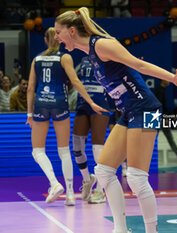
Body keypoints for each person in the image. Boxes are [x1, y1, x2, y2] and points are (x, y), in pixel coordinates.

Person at [54, 7, 177, 233]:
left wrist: (174, 80)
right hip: (129, 112)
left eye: (58, 32)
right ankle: (120, 229)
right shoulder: (89, 53)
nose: (56, 38)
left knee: (137, 178)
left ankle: (152, 231)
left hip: (146, 109)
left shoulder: (101, 45)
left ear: (71, 31)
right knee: (103, 172)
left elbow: (139, 65)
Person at [26, 27, 107, 206]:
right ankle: (71, 194)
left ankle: (56, 184)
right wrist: (90, 101)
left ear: (46, 41)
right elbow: (75, 82)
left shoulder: (36, 59)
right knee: (66, 151)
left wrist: (30, 113)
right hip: (62, 104)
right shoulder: (65, 57)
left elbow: (31, 88)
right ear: (60, 39)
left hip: (41, 103)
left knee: (38, 150)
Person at [72, 56, 111, 204]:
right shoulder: (82, 59)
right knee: (76, 148)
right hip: (83, 104)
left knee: (98, 148)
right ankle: (87, 180)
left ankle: (100, 191)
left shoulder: (107, 56)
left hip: (101, 103)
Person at [154, 79, 177, 162]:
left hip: (157, 117)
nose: (169, 81)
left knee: (166, 138)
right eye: (167, 79)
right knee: (154, 139)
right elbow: (159, 106)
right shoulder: (160, 90)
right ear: (162, 80)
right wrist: (166, 117)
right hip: (158, 117)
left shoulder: (161, 90)